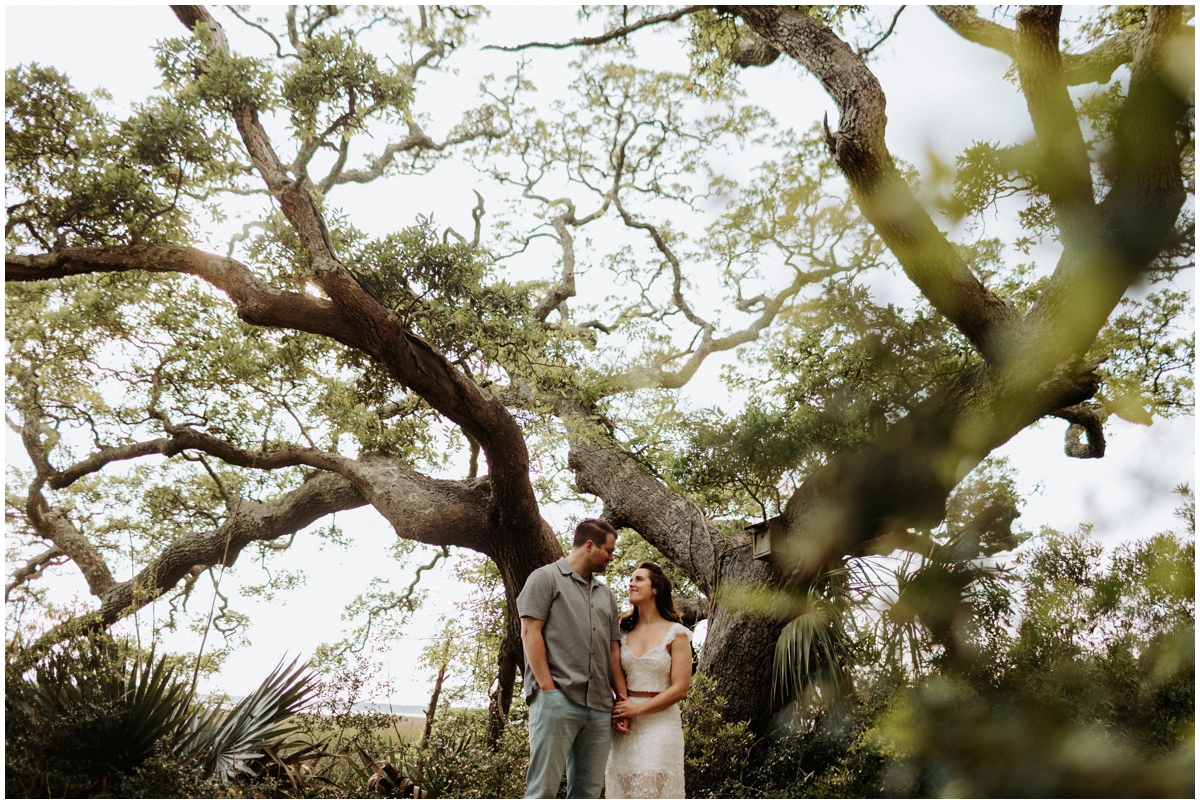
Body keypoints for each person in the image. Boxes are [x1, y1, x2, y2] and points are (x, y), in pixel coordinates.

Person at [518, 518, 629, 799]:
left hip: (601, 707)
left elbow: (613, 649)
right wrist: (548, 690)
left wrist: (623, 700)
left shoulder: (607, 595)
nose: (611, 558)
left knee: (588, 794)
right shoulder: (544, 578)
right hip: (557, 700)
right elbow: (530, 633)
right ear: (589, 545)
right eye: (609, 550)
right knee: (543, 790)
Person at [605, 561, 693, 798]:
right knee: (621, 789)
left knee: (648, 789)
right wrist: (624, 711)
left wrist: (637, 709)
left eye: (639, 579)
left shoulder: (677, 633)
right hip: (626, 724)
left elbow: (680, 689)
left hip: (661, 724)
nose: (631, 583)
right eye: (630, 580)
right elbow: (616, 672)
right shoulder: (622, 631)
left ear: (656, 589)